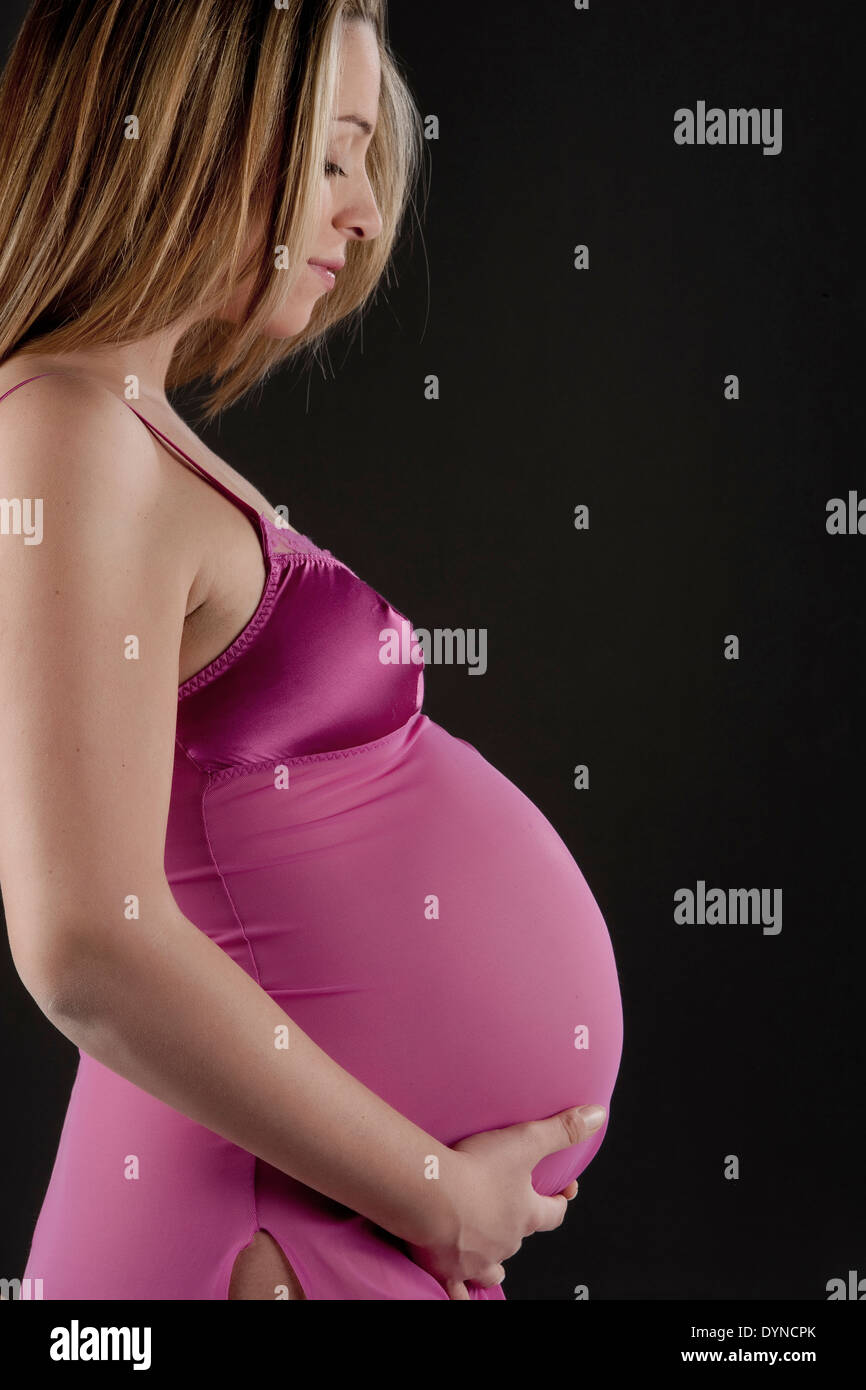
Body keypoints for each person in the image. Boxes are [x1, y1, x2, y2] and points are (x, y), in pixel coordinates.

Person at [0, 0, 622, 1300]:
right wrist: (435, 1192)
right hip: (247, 1230)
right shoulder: (65, 425)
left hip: (297, 1222)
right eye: (332, 156)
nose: (362, 214)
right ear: (198, 135)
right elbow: (83, 937)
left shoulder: (117, 422)